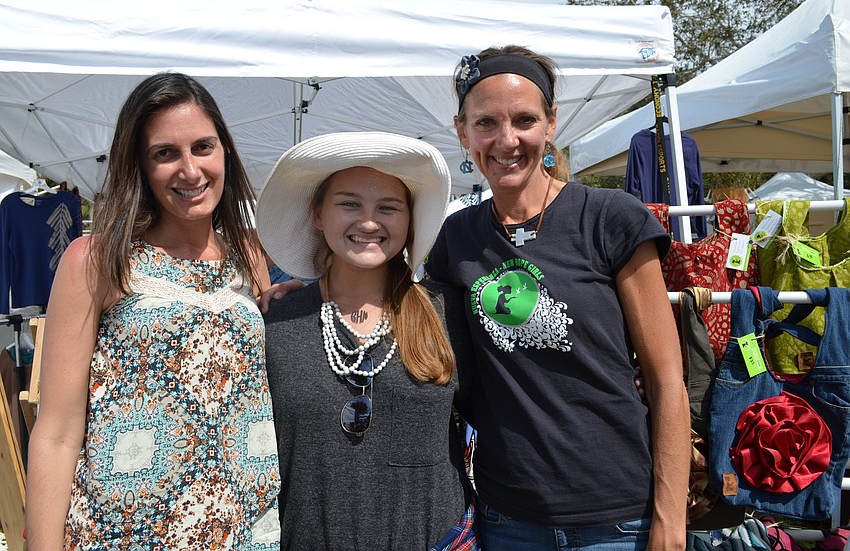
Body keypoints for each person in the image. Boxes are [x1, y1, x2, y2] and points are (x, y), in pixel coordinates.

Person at [425, 45, 690, 550]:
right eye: (486, 123)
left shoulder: (612, 218)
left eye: (525, 120)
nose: (507, 140)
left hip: (619, 520)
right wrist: (306, 292)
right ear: (462, 131)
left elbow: (667, 382)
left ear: (551, 123)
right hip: (508, 518)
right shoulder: (454, 240)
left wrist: (669, 519)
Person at [25, 73, 281, 550]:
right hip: (126, 535)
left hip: (246, 530)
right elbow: (56, 431)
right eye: (165, 153)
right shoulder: (98, 259)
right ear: (139, 166)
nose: (190, 170)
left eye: (203, 147)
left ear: (225, 150)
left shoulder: (249, 255)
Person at [256, 131, 478, 550]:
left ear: (409, 220)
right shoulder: (276, 321)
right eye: (349, 203)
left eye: (388, 207)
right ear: (318, 214)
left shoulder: (448, 312)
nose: (369, 222)